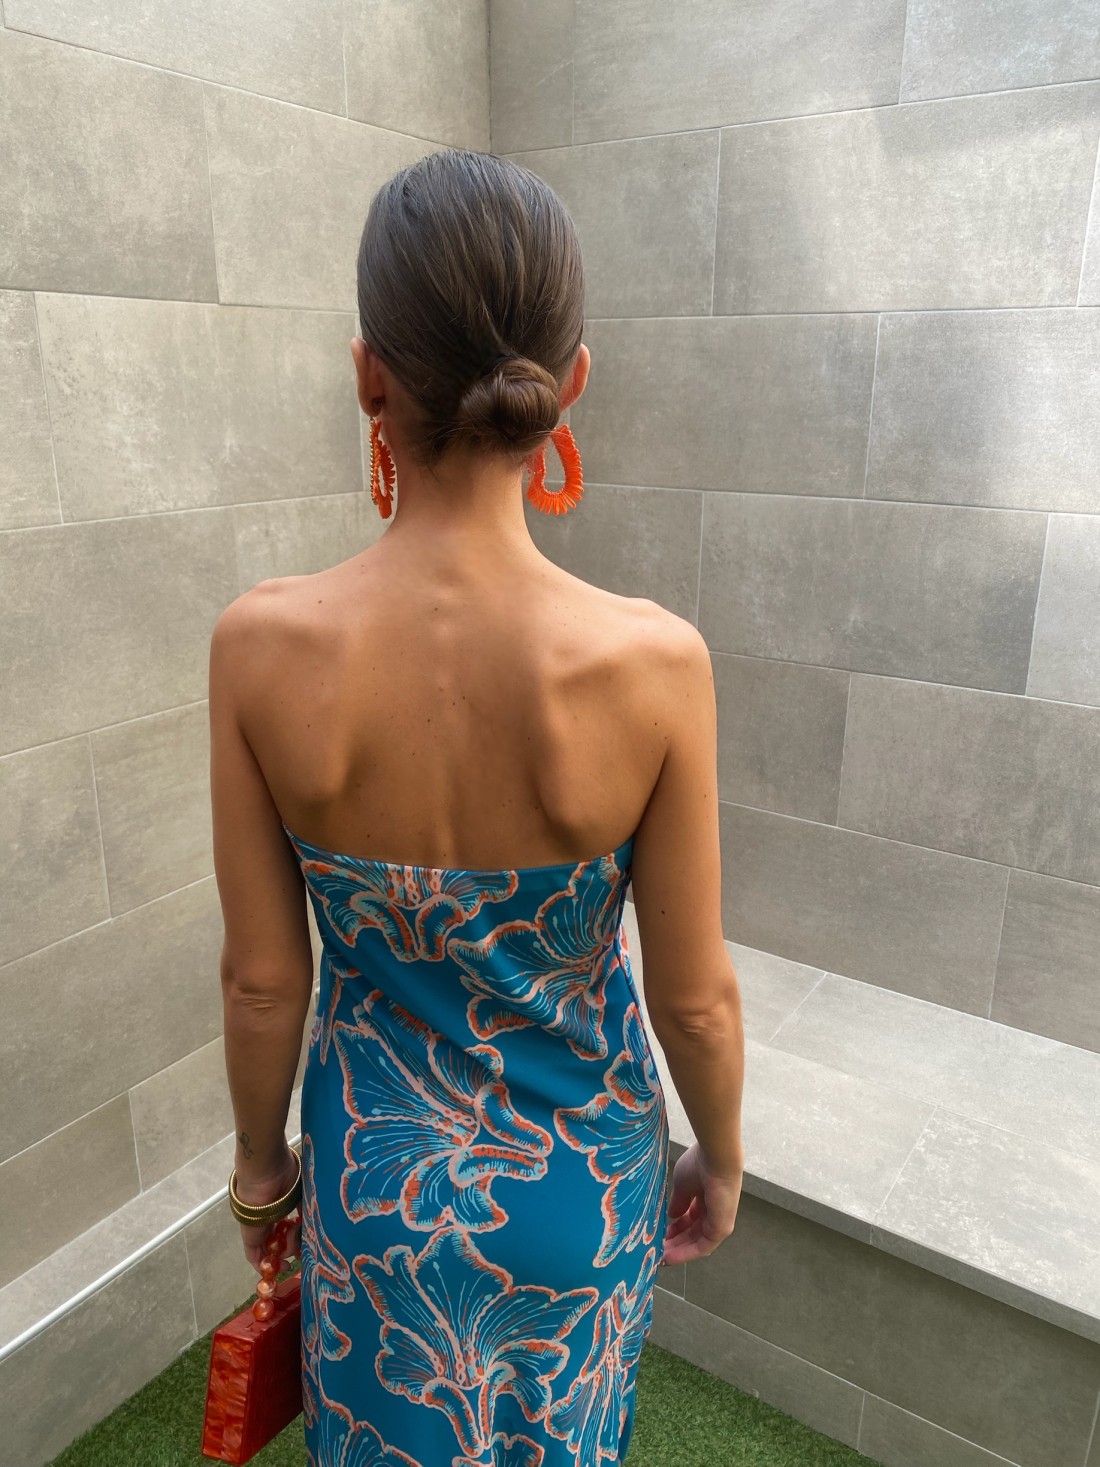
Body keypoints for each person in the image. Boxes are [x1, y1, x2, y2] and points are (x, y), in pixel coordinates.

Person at [208, 147, 745, 1467]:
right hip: (583, 1190)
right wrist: (721, 1160)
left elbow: (263, 982)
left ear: (368, 377)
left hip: (376, 1188)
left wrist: (264, 1171)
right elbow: (694, 1001)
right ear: (572, 382)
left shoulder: (259, 650)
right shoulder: (655, 665)